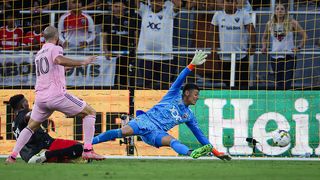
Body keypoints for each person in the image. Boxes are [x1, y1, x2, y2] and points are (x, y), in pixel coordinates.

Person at [93, 50, 231, 160]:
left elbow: (200, 136)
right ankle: (88, 144)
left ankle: (191, 153)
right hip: (145, 120)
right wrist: (191, 65)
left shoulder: (189, 115)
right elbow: (180, 79)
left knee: (172, 141)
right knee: (122, 132)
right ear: (187, 92)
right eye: (196, 94)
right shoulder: (173, 94)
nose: (197, 97)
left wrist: (217, 153)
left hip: (157, 133)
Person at [5, 26, 104, 163]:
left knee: (30, 127)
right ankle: (88, 151)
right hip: (56, 95)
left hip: (40, 98)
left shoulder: (39, 54)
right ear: (56, 37)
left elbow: (57, 67)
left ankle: (12, 156)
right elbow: (59, 60)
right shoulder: (55, 48)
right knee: (90, 112)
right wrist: (83, 61)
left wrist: (76, 65)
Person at [8, 94, 83, 163]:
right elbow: (28, 116)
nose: (28, 104)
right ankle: (47, 155)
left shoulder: (14, 124)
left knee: (75, 149)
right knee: (79, 147)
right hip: (42, 147)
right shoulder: (24, 114)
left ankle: (51, 157)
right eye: (26, 102)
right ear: (22, 106)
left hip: (27, 156)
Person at [136, 0, 181, 89]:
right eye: (154, 1)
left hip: (165, 56)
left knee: (165, 84)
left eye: (159, 1)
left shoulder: (169, 11)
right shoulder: (145, 10)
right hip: (146, 55)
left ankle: (165, 102)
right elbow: (136, 3)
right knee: (148, 84)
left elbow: (178, 4)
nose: (157, 3)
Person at [261, 1, 307, 90]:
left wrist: (299, 47)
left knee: (287, 84)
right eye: (277, 9)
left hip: (289, 56)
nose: (280, 11)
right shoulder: (270, 23)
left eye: (282, 9)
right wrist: (264, 47)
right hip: (275, 57)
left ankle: (287, 102)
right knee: (279, 84)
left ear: (286, 11)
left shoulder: (292, 22)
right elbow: (264, 38)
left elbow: (304, 35)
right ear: (274, 11)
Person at [211, 0, 256, 89]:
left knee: (242, 85)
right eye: (227, 1)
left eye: (232, 2)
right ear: (223, 3)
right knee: (227, 85)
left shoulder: (244, 14)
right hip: (225, 56)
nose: (229, 4)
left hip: (241, 56)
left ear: (236, 3)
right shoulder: (218, 14)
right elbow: (213, 32)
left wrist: (253, 46)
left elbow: (252, 31)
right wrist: (214, 47)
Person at [102, 0, 138, 89]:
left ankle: (126, 97)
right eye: (114, 6)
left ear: (124, 7)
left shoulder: (130, 19)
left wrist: (136, 49)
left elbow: (136, 35)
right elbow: (104, 36)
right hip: (112, 53)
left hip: (126, 53)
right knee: (111, 77)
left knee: (124, 76)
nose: (115, 8)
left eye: (118, 6)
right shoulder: (107, 19)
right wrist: (105, 50)